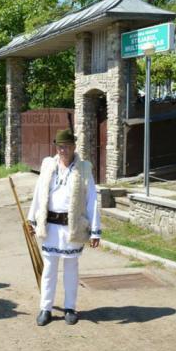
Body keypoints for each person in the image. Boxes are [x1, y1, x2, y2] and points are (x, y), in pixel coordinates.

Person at [26, 129, 101, 327]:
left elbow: (92, 200)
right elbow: (38, 194)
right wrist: (32, 220)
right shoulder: (48, 165)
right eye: (60, 146)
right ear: (56, 147)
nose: (63, 150)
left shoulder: (84, 169)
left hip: (72, 228)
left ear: (74, 147)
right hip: (50, 227)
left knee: (71, 269)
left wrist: (95, 230)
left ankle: (70, 308)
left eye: (67, 146)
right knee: (49, 269)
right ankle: (46, 308)